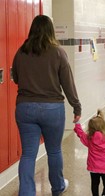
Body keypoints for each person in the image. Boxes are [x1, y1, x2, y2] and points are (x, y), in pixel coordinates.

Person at [12, 15, 82, 196]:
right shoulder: (58, 52)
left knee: (28, 153)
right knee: (54, 150)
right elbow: (68, 83)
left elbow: (16, 78)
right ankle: (58, 187)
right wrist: (77, 106)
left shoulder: (21, 52)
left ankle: (26, 192)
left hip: (25, 108)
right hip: (52, 109)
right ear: (50, 30)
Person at [74, 110, 105, 196]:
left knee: (94, 184)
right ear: (103, 127)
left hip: (93, 167)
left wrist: (77, 122)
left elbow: (80, 133)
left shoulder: (89, 139)